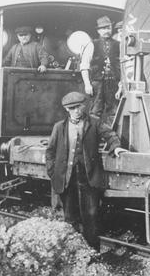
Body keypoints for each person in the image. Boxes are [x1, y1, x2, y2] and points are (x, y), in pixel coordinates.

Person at [45, 91, 126, 250]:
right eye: (72, 108)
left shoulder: (94, 123)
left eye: (78, 107)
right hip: (66, 178)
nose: (76, 111)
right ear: (67, 110)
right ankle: (73, 251)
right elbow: (50, 151)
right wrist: (53, 172)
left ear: (83, 107)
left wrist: (116, 147)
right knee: (69, 216)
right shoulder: (59, 127)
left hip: (88, 177)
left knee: (91, 216)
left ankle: (92, 251)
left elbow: (110, 135)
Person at [80, 16, 121, 124]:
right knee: (95, 111)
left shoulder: (118, 45)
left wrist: (121, 85)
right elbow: (84, 65)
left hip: (113, 83)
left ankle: (111, 138)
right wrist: (87, 84)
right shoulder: (92, 44)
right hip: (97, 83)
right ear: (98, 30)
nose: (107, 31)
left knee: (113, 112)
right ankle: (93, 138)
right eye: (103, 28)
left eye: (108, 28)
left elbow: (123, 66)